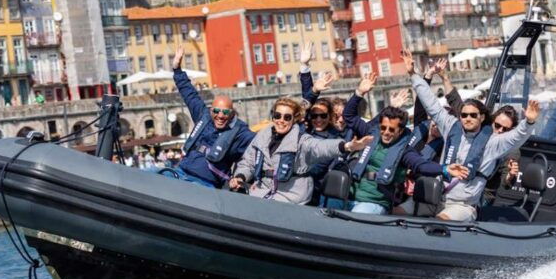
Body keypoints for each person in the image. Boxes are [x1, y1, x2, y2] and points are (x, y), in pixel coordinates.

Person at [405, 52, 539, 222]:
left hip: (462, 205)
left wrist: (528, 122)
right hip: (436, 196)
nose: (468, 118)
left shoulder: (493, 142)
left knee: (439, 222)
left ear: (482, 118)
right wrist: (413, 75)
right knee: (398, 212)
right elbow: (430, 103)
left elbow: (516, 138)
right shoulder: (451, 126)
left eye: (473, 116)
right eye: (464, 115)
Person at [337, 74, 469, 215]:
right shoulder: (371, 133)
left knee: (357, 215)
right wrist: (359, 93)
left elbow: (421, 165)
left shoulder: (404, 151)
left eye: (391, 129)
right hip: (350, 196)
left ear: (400, 131)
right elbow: (349, 116)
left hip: (373, 203)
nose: (386, 132)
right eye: (383, 128)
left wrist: (444, 169)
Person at [229, 98, 371, 204]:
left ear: (294, 119)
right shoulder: (262, 135)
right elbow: (248, 162)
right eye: (277, 116)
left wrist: (347, 146)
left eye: (287, 117)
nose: (281, 120)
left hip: (290, 195)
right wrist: (240, 177)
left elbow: (321, 147)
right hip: (263, 190)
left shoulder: (302, 140)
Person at [171, 45, 256, 188]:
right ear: (211, 110)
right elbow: (189, 94)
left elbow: (263, 143)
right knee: (149, 174)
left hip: (204, 183)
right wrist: (177, 69)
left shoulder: (241, 133)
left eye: (226, 112)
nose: (220, 116)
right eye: (216, 111)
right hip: (180, 172)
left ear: (232, 113)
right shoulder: (203, 116)